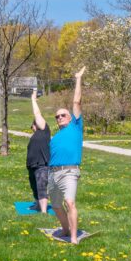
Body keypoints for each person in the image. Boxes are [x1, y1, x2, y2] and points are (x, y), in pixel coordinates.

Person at [48, 66, 87, 243]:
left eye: (63, 115)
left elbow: (77, 102)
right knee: (56, 205)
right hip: (53, 173)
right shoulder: (55, 137)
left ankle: (73, 238)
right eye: (57, 116)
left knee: (69, 202)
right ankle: (65, 229)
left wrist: (78, 78)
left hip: (70, 172)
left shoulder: (75, 126)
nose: (60, 117)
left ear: (70, 117)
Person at [27, 89, 51, 213]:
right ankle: (37, 204)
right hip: (32, 165)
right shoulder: (36, 135)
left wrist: (33, 99)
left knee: (41, 186)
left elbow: (37, 114)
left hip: (42, 165)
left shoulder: (44, 130)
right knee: (34, 186)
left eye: (32, 126)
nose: (32, 128)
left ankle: (43, 211)